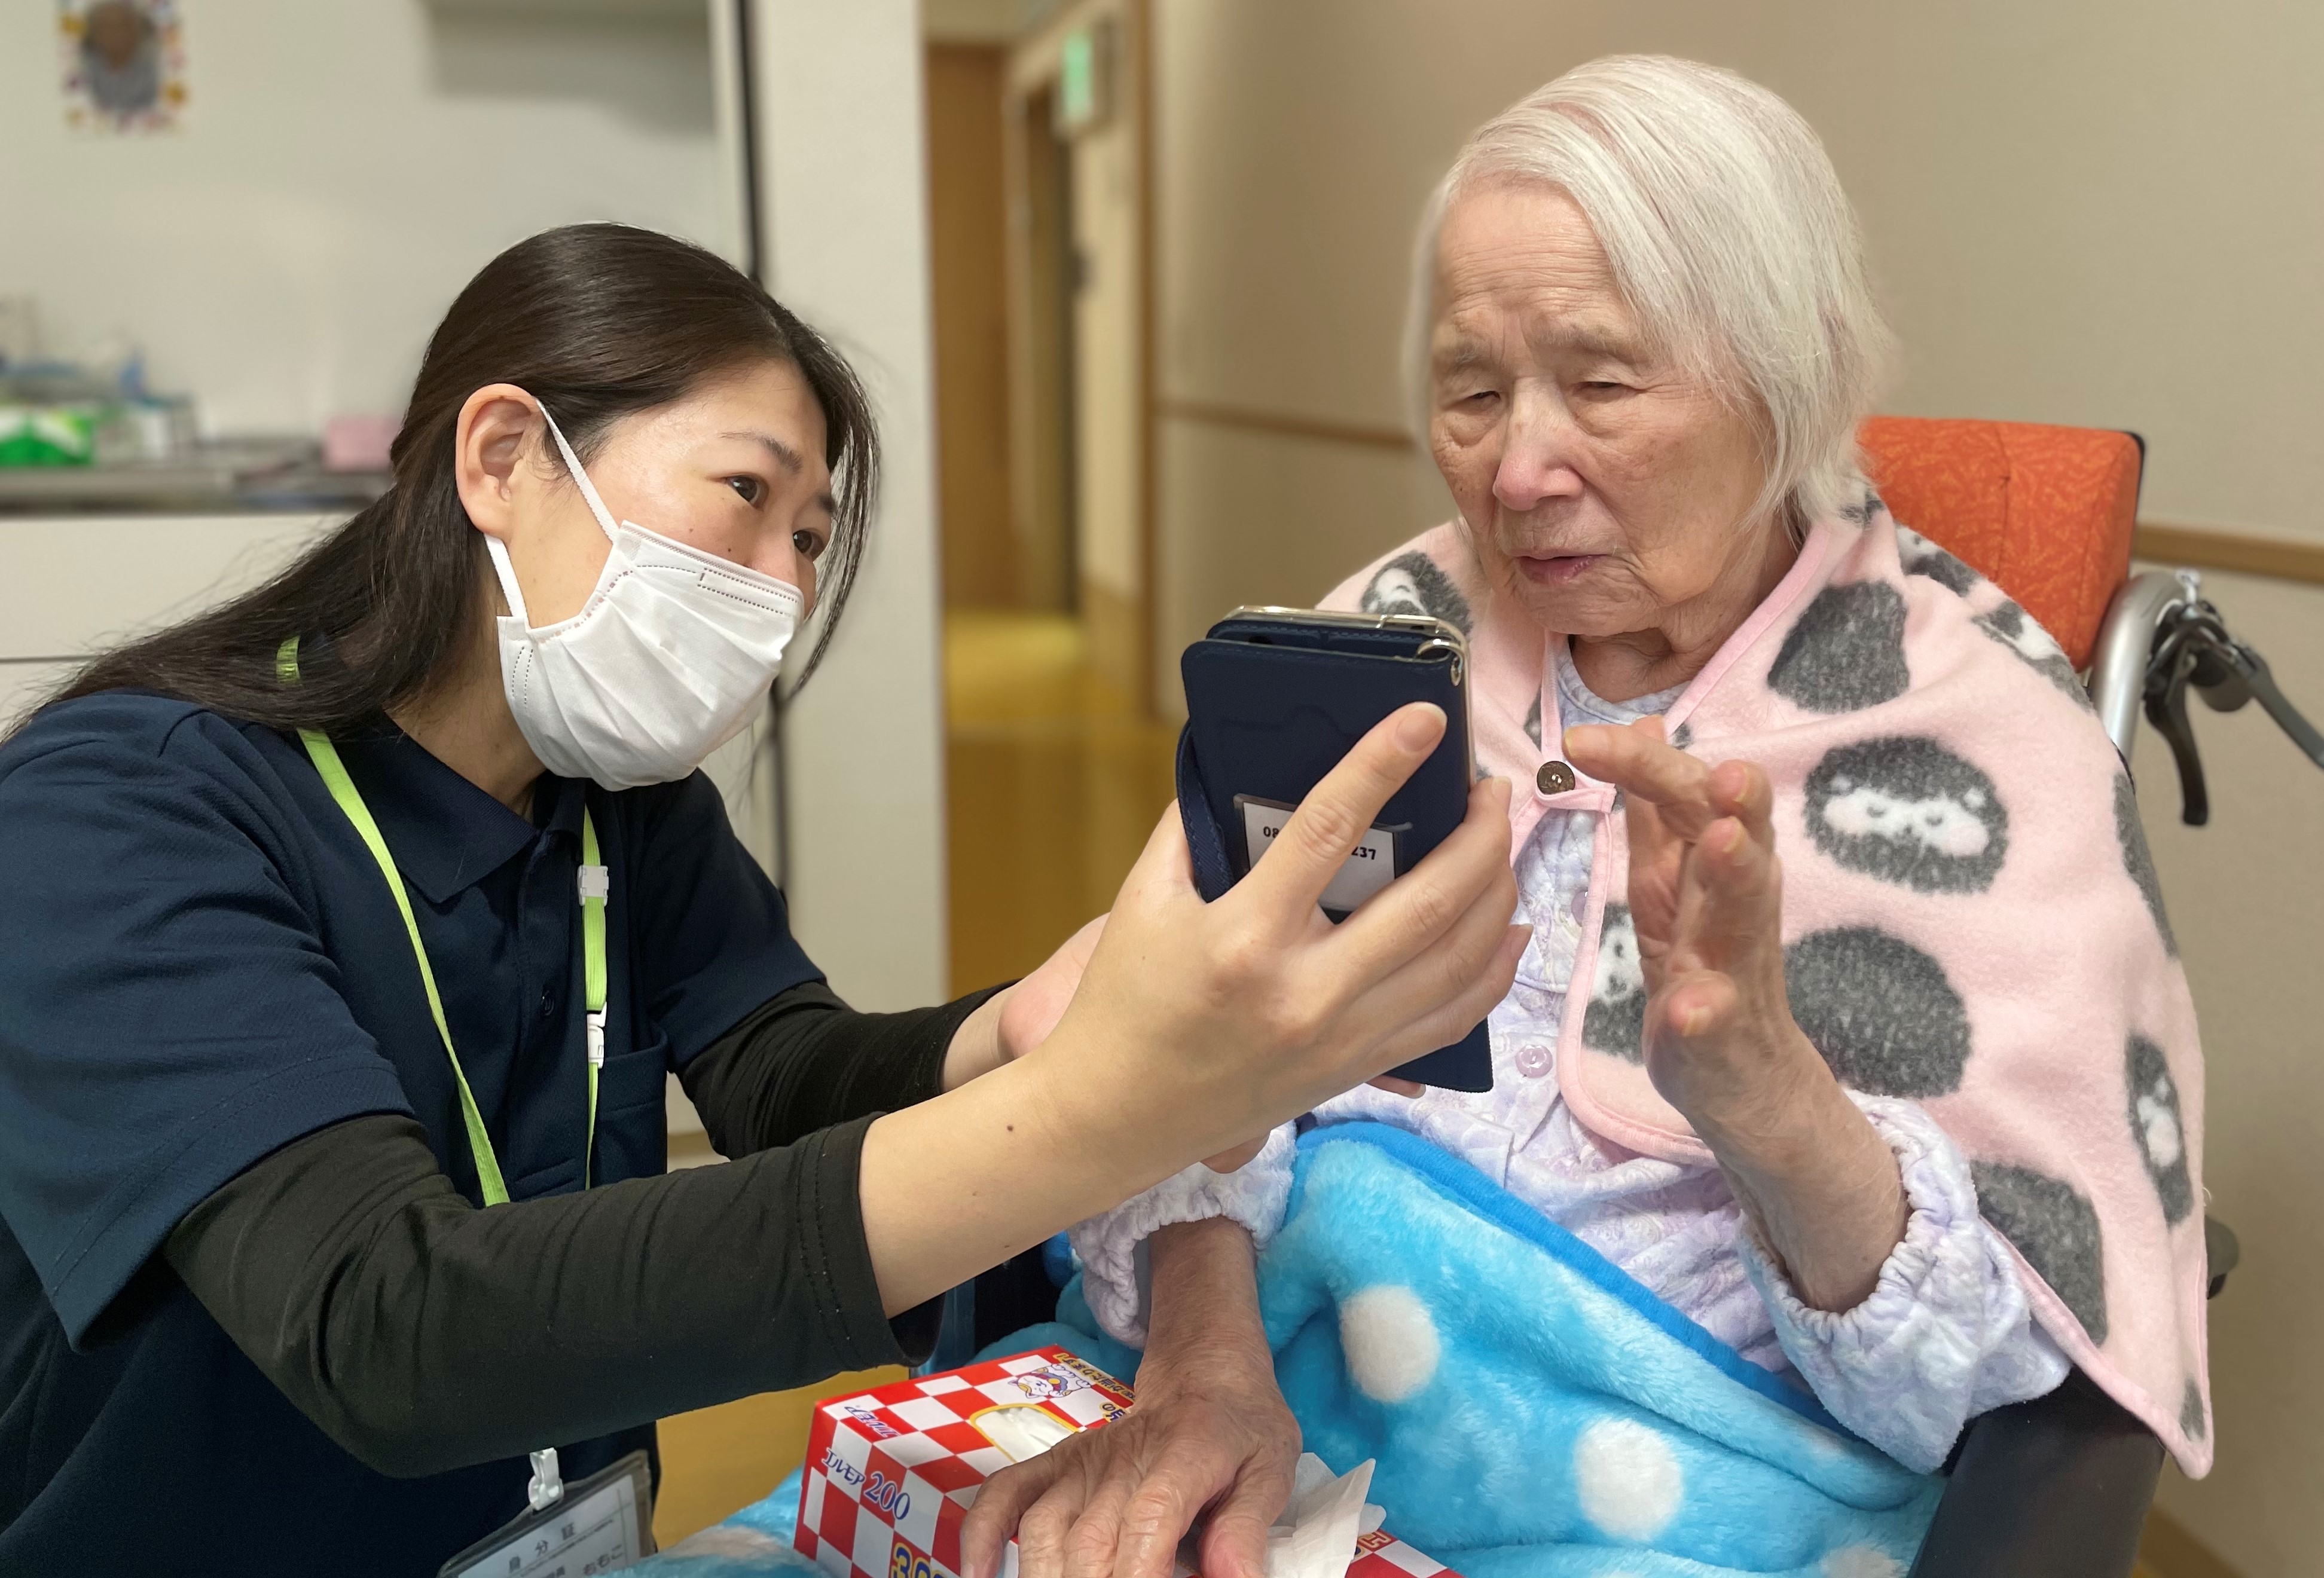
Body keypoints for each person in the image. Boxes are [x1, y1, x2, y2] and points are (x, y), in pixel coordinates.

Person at [0, 224, 1525, 1574]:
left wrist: (1020, 1032)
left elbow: (785, 1074)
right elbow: (388, 1329)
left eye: (806, 537)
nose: (782, 590)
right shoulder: (117, 812)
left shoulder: (624, 812)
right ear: (502, 460)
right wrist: (1099, 1114)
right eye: (746, 495)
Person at [964, 56, 2210, 1578]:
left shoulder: (1979, 745)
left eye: (1604, 385)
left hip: (1676, 1488)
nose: (1516, 469)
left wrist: (1762, 1091)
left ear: (1794, 378)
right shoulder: (1387, 638)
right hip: (1248, 1376)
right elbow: (1176, 1058)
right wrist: (1205, 1369)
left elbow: (1975, 1403)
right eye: (1473, 392)